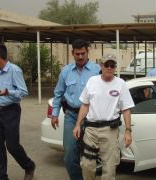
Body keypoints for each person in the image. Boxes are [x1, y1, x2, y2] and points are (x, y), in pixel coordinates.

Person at [73, 54, 134, 180]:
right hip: (90, 130)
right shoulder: (92, 81)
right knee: (87, 165)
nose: (110, 68)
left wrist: (128, 131)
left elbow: (126, 109)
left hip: (110, 131)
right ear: (101, 66)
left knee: (109, 167)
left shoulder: (121, 84)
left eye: (113, 65)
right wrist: (78, 125)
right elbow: (85, 105)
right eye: (107, 65)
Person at [51, 39, 100, 180]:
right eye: (77, 54)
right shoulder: (66, 71)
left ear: (87, 52)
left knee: (90, 156)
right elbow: (58, 94)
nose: (80, 57)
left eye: (83, 53)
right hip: (71, 116)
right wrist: (54, 114)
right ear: (72, 53)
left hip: (92, 117)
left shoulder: (97, 70)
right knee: (69, 155)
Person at [0, 44, 35, 180]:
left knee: (12, 146)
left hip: (11, 111)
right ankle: (1, 178)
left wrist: (8, 92)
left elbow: (23, 92)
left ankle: (29, 166)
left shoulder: (15, 70)